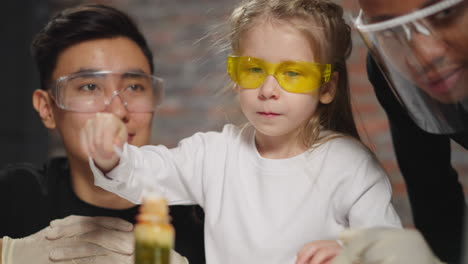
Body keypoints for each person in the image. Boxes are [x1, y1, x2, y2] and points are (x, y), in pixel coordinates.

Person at [81, 0, 402, 263]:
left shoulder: (350, 166)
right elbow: (146, 174)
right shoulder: (214, 155)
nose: (268, 89)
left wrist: (350, 255)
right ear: (236, 76)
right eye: (254, 69)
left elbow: (391, 252)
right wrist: (111, 156)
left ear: (326, 87)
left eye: (293, 73)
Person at [0, 4, 204, 264]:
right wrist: (8, 255)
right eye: (90, 86)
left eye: (134, 86)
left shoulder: (201, 214)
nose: (117, 110)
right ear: (47, 109)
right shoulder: (17, 197)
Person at [333, 0, 468, 263]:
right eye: (389, 30)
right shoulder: (391, 70)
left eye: (445, 13)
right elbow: (434, 196)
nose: (424, 56)